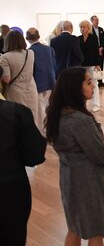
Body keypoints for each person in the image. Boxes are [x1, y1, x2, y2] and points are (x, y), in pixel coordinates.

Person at [45, 67, 104, 245]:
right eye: (88, 82)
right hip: (88, 181)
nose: (93, 86)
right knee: (96, 230)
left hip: (68, 178)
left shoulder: (58, 115)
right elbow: (97, 152)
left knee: (74, 227)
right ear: (74, 88)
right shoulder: (80, 120)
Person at [0, 98, 46, 246]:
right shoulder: (16, 112)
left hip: (11, 185)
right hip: (10, 188)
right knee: (13, 236)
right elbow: (35, 155)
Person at [0, 31, 38, 118]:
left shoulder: (5, 57)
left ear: (8, 42)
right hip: (31, 89)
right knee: (32, 117)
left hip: (15, 92)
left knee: (17, 118)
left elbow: (6, 79)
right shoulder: (30, 53)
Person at [26, 27, 56, 131]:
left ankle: (44, 130)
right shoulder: (49, 49)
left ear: (27, 38)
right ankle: (51, 127)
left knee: (40, 108)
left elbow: (30, 69)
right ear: (38, 36)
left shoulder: (29, 51)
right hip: (50, 80)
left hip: (37, 82)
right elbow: (54, 65)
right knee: (49, 106)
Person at [79, 20, 101, 112]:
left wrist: (97, 64)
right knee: (82, 85)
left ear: (88, 27)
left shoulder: (93, 38)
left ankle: (96, 104)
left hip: (92, 64)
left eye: (84, 27)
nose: (82, 29)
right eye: (81, 27)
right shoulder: (78, 38)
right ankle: (83, 105)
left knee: (94, 83)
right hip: (82, 65)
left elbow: (96, 51)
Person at [91, 15, 104, 88]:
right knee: (94, 65)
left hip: (101, 49)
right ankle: (93, 81)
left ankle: (100, 81)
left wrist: (102, 47)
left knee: (101, 64)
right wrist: (96, 48)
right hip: (93, 50)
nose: (97, 21)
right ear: (92, 21)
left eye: (97, 20)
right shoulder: (90, 29)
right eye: (95, 20)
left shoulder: (101, 29)